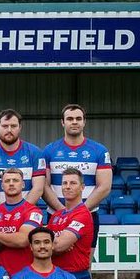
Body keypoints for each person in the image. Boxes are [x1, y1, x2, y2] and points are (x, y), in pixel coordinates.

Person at [41, 104, 113, 252]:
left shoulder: (99, 150)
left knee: (86, 264)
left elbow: (105, 186)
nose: (74, 122)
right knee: (54, 261)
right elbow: (44, 186)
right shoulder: (49, 150)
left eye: (78, 118)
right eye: (70, 118)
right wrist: (63, 212)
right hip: (55, 215)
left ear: (84, 122)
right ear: (63, 122)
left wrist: (79, 213)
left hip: (88, 215)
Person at [0, 109, 46, 207]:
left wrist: (21, 211)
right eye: (5, 126)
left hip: (26, 214)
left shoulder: (35, 152)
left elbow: (38, 188)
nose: (9, 130)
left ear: (20, 127)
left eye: (13, 126)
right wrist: (2, 212)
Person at [0, 168, 46, 276]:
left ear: (23, 184)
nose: (11, 184)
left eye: (15, 180)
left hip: (24, 275)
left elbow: (22, 240)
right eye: (7, 181)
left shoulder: (33, 211)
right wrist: (10, 238)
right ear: (1, 186)